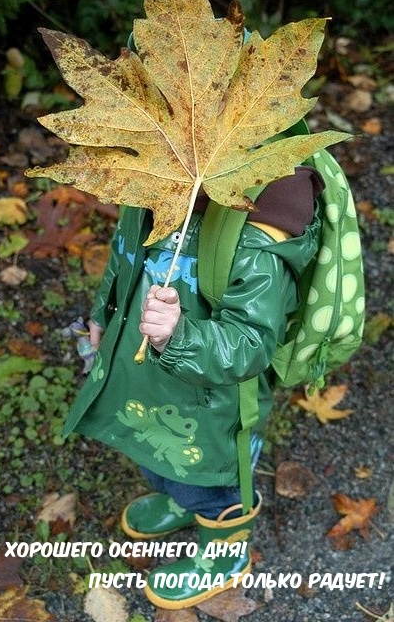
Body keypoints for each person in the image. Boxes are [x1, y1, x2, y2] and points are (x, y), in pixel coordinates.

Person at [63, 159, 324, 608]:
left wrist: (178, 335)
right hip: (146, 382)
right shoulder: (154, 177)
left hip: (209, 408)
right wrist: (103, 312)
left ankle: (224, 552)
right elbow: (123, 254)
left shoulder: (260, 226)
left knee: (210, 482)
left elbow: (250, 344)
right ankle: (179, 500)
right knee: (158, 458)